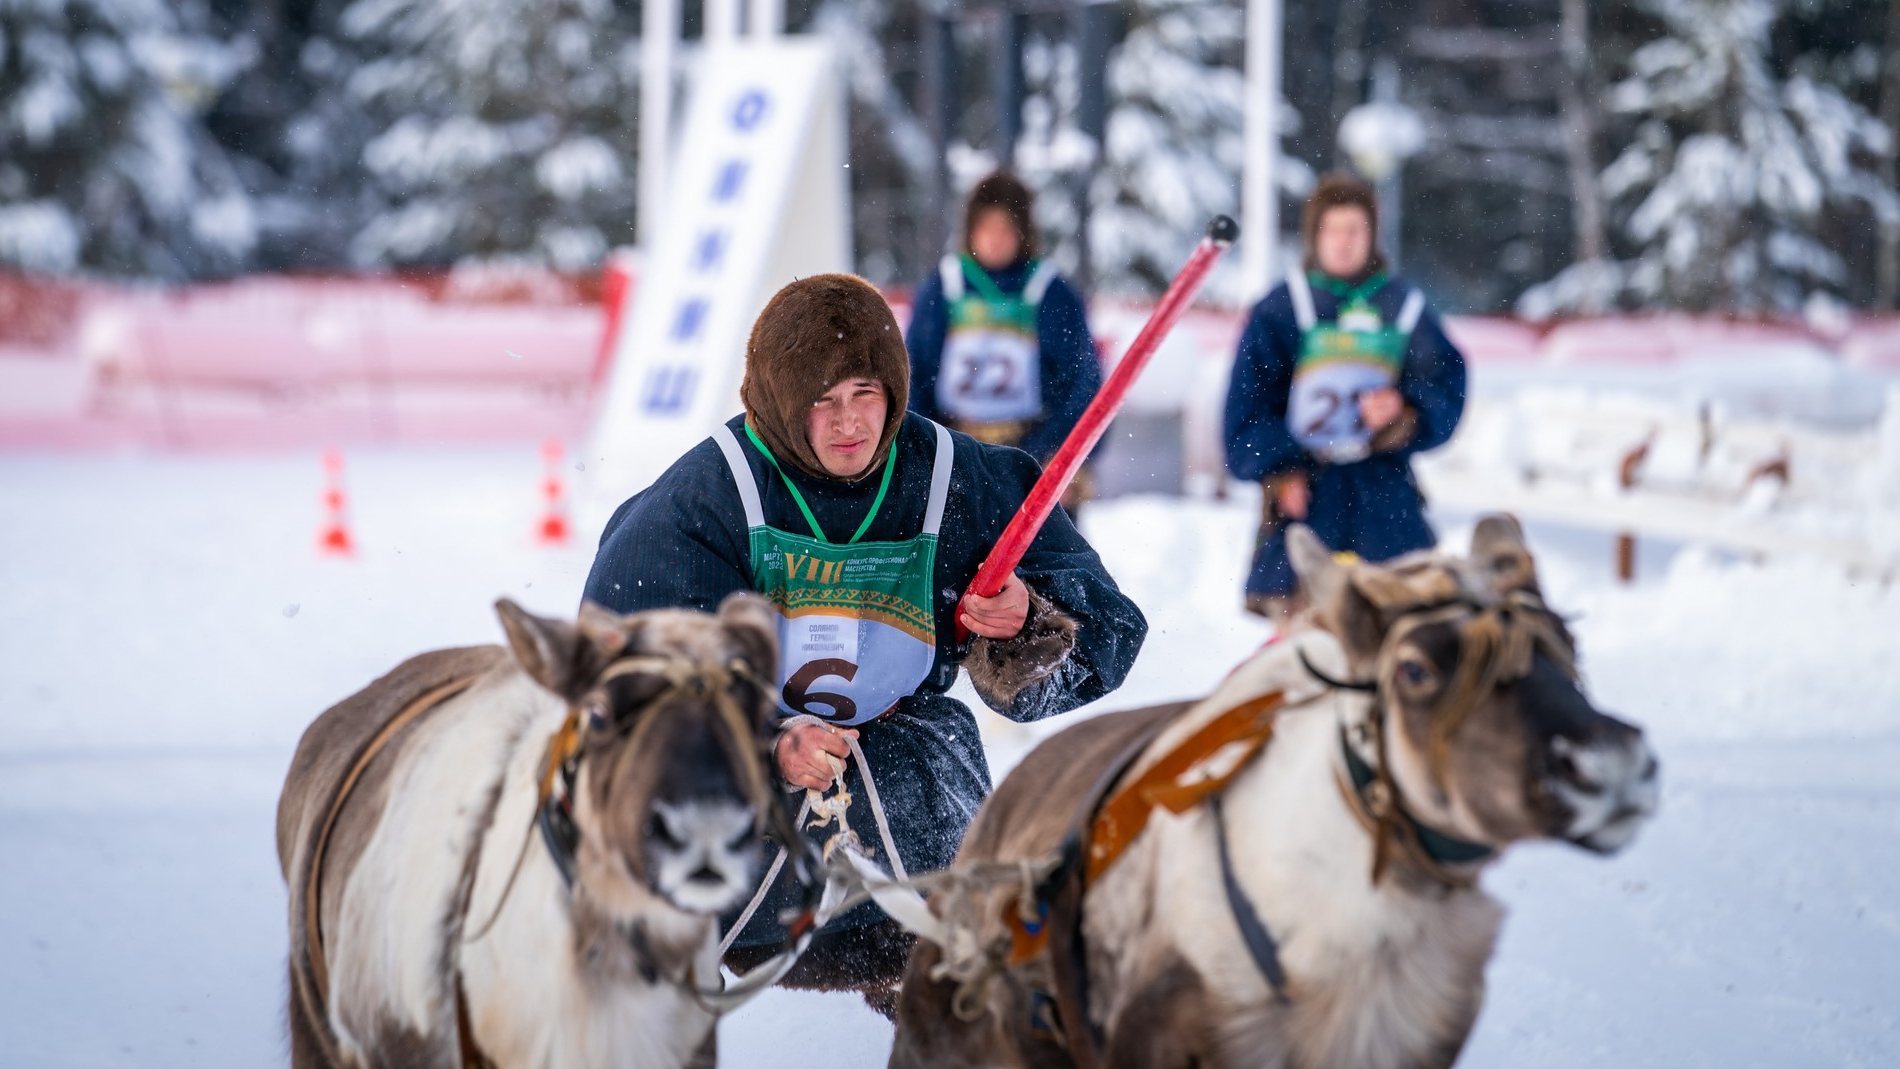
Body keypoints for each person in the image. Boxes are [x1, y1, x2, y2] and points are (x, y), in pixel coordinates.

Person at [582, 273, 1146, 1017]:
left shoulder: (960, 477)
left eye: (863, 392)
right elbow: (631, 669)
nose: (849, 422)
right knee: (632, 947)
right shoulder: (707, 497)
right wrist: (765, 743)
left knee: (983, 972)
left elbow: (1106, 629)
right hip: (738, 781)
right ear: (780, 401)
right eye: (820, 400)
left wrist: (1026, 622)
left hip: (912, 765)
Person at [1223, 172, 1467, 619]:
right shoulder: (1278, 310)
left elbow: (1445, 385)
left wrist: (1403, 410)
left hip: (1386, 499)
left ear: (1372, 236)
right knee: (1305, 646)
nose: (1344, 242)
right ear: (1315, 236)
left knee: (1412, 627)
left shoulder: (1403, 307)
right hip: (1305, 501)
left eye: (1355, 230)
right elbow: (1244, 414)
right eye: (1333, 230)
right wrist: (1281, 469)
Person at [904, 171, 1101, 507]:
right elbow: (913, 373)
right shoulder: (944, 286)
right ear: (969, 230)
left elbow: (1082, 380)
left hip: (1035, 454)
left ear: (1023, 233)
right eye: (986, 228)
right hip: (955, 452)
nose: (995, 240)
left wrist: (1056, 449)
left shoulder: (1049, 290)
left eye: (1006, 229)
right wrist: (926, 446)